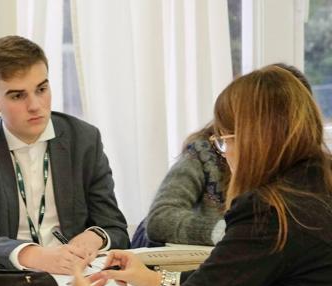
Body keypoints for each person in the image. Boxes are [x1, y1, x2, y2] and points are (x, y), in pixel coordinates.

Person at [73, 65, 332, 286]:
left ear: (252, 140)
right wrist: (157, 280)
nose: (224, 155)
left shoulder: (269, 212)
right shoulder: (318, 184)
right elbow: (233, 275)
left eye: (224, 142)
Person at [0, 35, 129, 274]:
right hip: (6, 280)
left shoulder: (84, 140)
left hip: (76, 277)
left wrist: (94, 237)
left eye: (41, 89)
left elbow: (115, 228)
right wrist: (34, 255)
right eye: (18, 96)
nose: (35, 105)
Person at [134, 62, 313, 248]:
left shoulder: (308, 165)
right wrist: (231, 233)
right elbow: (161, 218)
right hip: (190, 261)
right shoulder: (206, 151)